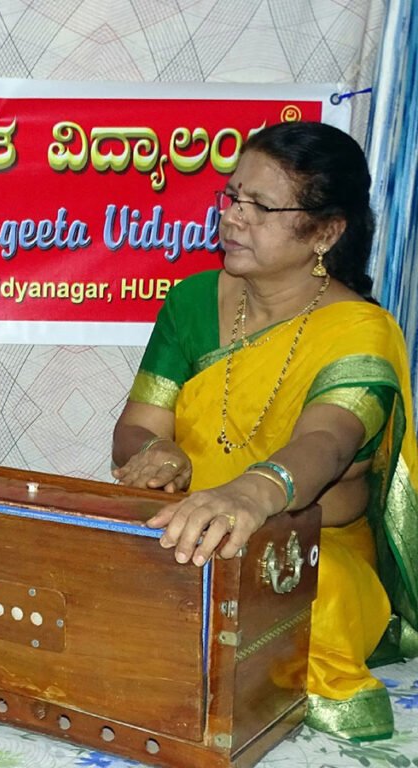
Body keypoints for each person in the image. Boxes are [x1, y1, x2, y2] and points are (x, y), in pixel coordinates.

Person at [111, 121, 418, 741]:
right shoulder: (192, 302)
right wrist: (156, 453)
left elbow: (327, 443)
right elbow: (136, 426)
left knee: (311, 599)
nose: (233, 218)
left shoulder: (362, 330)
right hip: (185, 528)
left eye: (261, 206)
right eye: (232, 197)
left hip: (305, 549)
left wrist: (249, 495)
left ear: (327, 231)